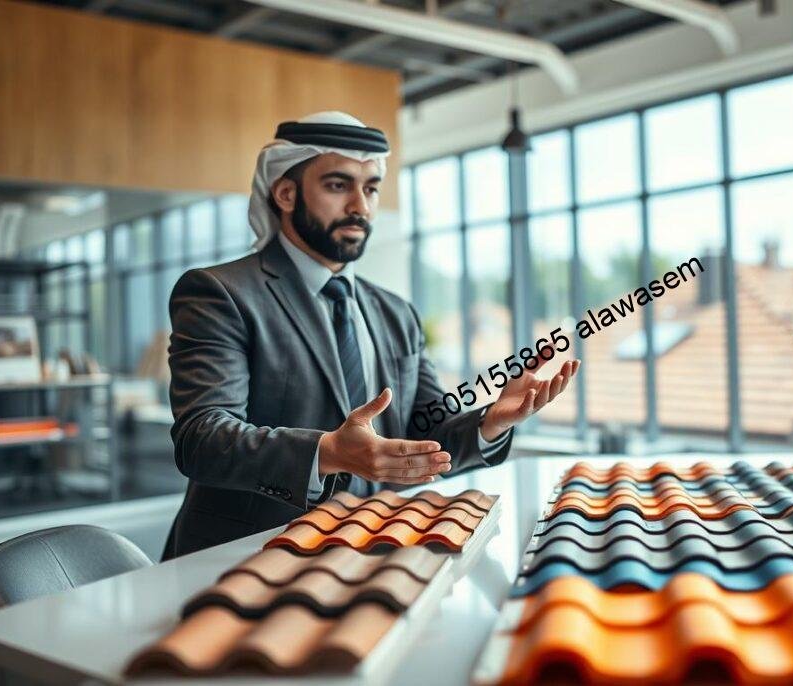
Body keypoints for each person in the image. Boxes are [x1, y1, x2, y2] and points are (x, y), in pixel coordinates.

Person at [161, 111, 579, 559]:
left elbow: (425, 433)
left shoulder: (396, 313)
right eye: (338, 185)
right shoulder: (219, 292)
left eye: (371, 188)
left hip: (367, 556)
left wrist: (491, 422)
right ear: (285, 193)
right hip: (241, 561)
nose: (360, 206)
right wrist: (327, 452)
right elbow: (203, 439)